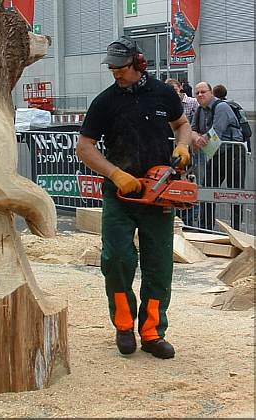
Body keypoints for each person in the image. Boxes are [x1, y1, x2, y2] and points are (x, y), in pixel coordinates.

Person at [76, 36, 192, 360]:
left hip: (159, 194)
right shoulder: (105, 102)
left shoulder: (163, 93)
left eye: (121, 68)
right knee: (116, 261)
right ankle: (124, 326)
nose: (116, 74)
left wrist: (182, 146)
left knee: (158, 267)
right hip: (120, 195)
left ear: (139, 64)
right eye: (112, 69)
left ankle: (153, 332)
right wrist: (115, 174)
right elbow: (84, 148)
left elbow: (181, 124)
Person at [191, 82, 246, 230]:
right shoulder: (200, 110)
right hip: (215, 153)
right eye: (197, 93)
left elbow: (216, 132)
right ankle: (206, 227)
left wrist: (198, 139)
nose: (200, 95)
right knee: (208, 190)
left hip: (233, 153)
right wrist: (196, 137)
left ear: (211, 93)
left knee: (235, 193)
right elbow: (193, 129)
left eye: (203, 92)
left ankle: (236, 230)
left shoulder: (221, 107)